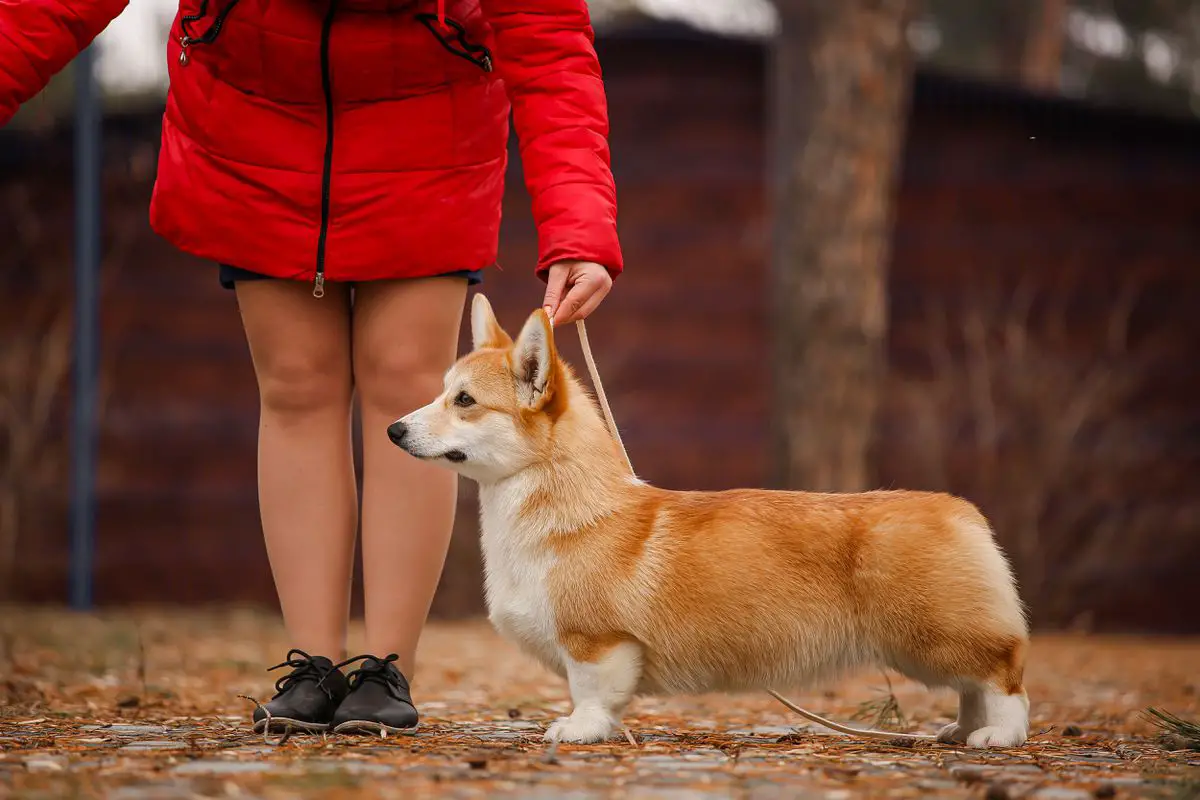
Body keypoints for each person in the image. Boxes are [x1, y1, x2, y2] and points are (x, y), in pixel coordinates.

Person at [0, 0, 622, 735]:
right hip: (256, 126)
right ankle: (310, 669)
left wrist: (578, 223)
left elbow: (548, 37)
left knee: (405, 383)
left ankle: (386, 673)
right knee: (296, 386)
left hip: (428, 127)